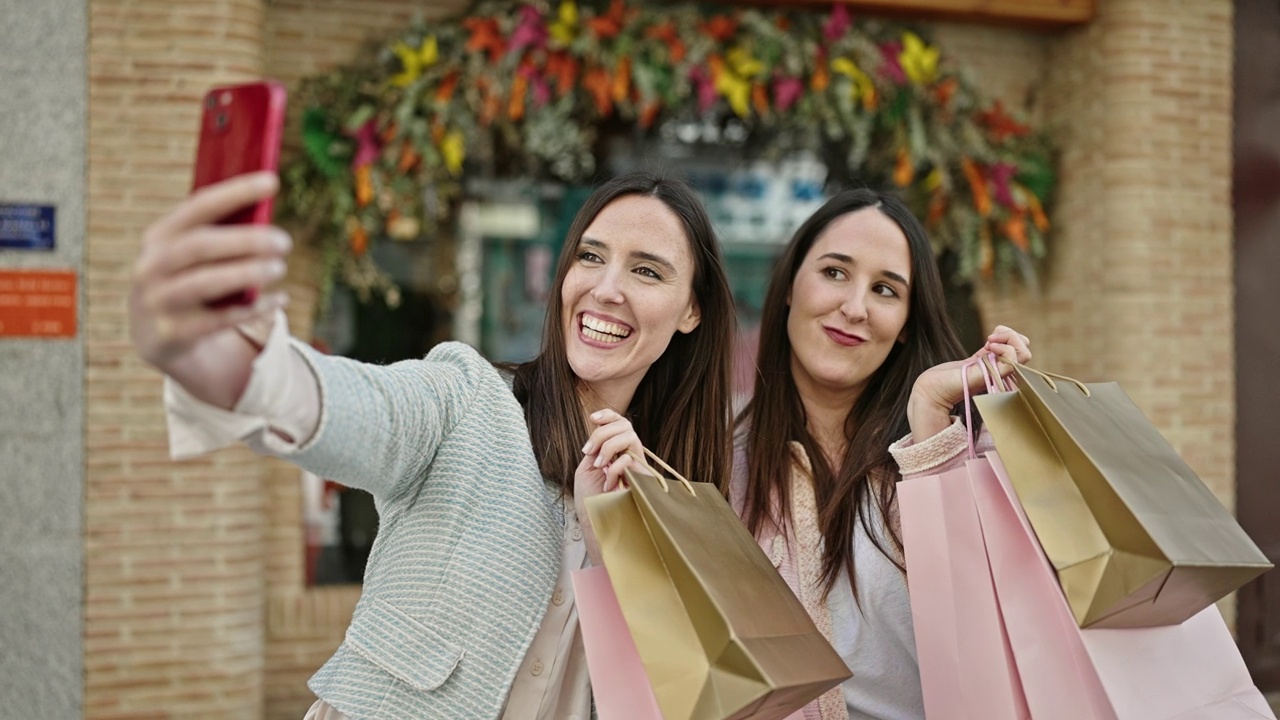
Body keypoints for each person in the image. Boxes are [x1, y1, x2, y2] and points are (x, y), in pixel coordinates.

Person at [129, 170, 735, 719]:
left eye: (647, 270)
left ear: (692, 311)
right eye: (590, 257)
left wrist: (620, 544)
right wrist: (239, 367)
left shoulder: (674, 496)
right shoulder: (468, 400)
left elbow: (671, 704)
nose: (606, 288)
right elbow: (368, 410)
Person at [730, 189, 1032, 720]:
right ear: (789, 286)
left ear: (907, 325)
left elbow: (993, 631)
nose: (854, 308)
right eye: (834, 272)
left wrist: (931, 424)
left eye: (885, 289)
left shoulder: (965, 448)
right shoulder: (719, 464)